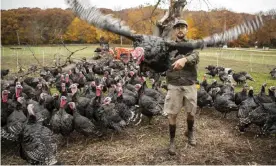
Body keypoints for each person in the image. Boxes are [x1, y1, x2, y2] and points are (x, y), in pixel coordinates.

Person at [164, 19, 199, 155]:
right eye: (177, 27)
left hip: (189, 84)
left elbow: (195, 56)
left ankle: (190, 132)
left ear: (187, 29)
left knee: (191, 113)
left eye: (183, 27)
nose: (180, 29)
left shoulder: (192, 45)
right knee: (172, 114)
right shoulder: (168, 47)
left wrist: (185, 59)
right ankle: (172, 141)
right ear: (174, 30)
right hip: (174, 85)